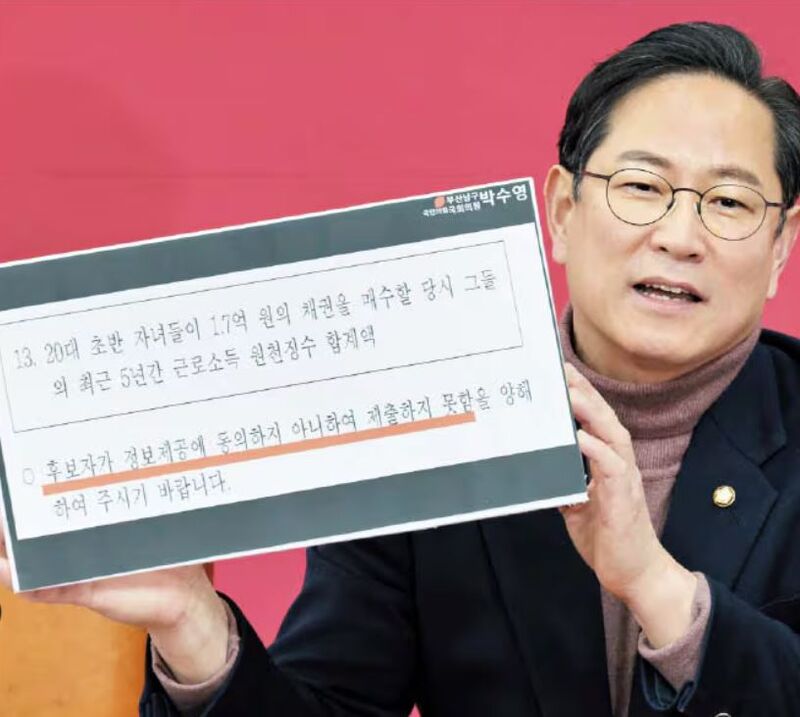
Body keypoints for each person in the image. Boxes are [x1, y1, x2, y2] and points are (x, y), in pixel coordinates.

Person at [2, 20, 799, 716]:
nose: (679, 236)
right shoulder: (436, 421)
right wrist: (193, 625)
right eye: (642, 186)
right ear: (562, 211)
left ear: (780, 249)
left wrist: (655, 584)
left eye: (729, 203)